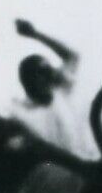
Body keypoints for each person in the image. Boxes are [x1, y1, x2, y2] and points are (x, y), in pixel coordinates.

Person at [10, 18, 96, 157]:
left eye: (48, 71)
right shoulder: (22, 113)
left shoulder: (62, 90)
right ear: (28, 82)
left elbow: (72, 56)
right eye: (41, 73)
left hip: (91, 159)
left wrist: (35, 34)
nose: (49, 76)